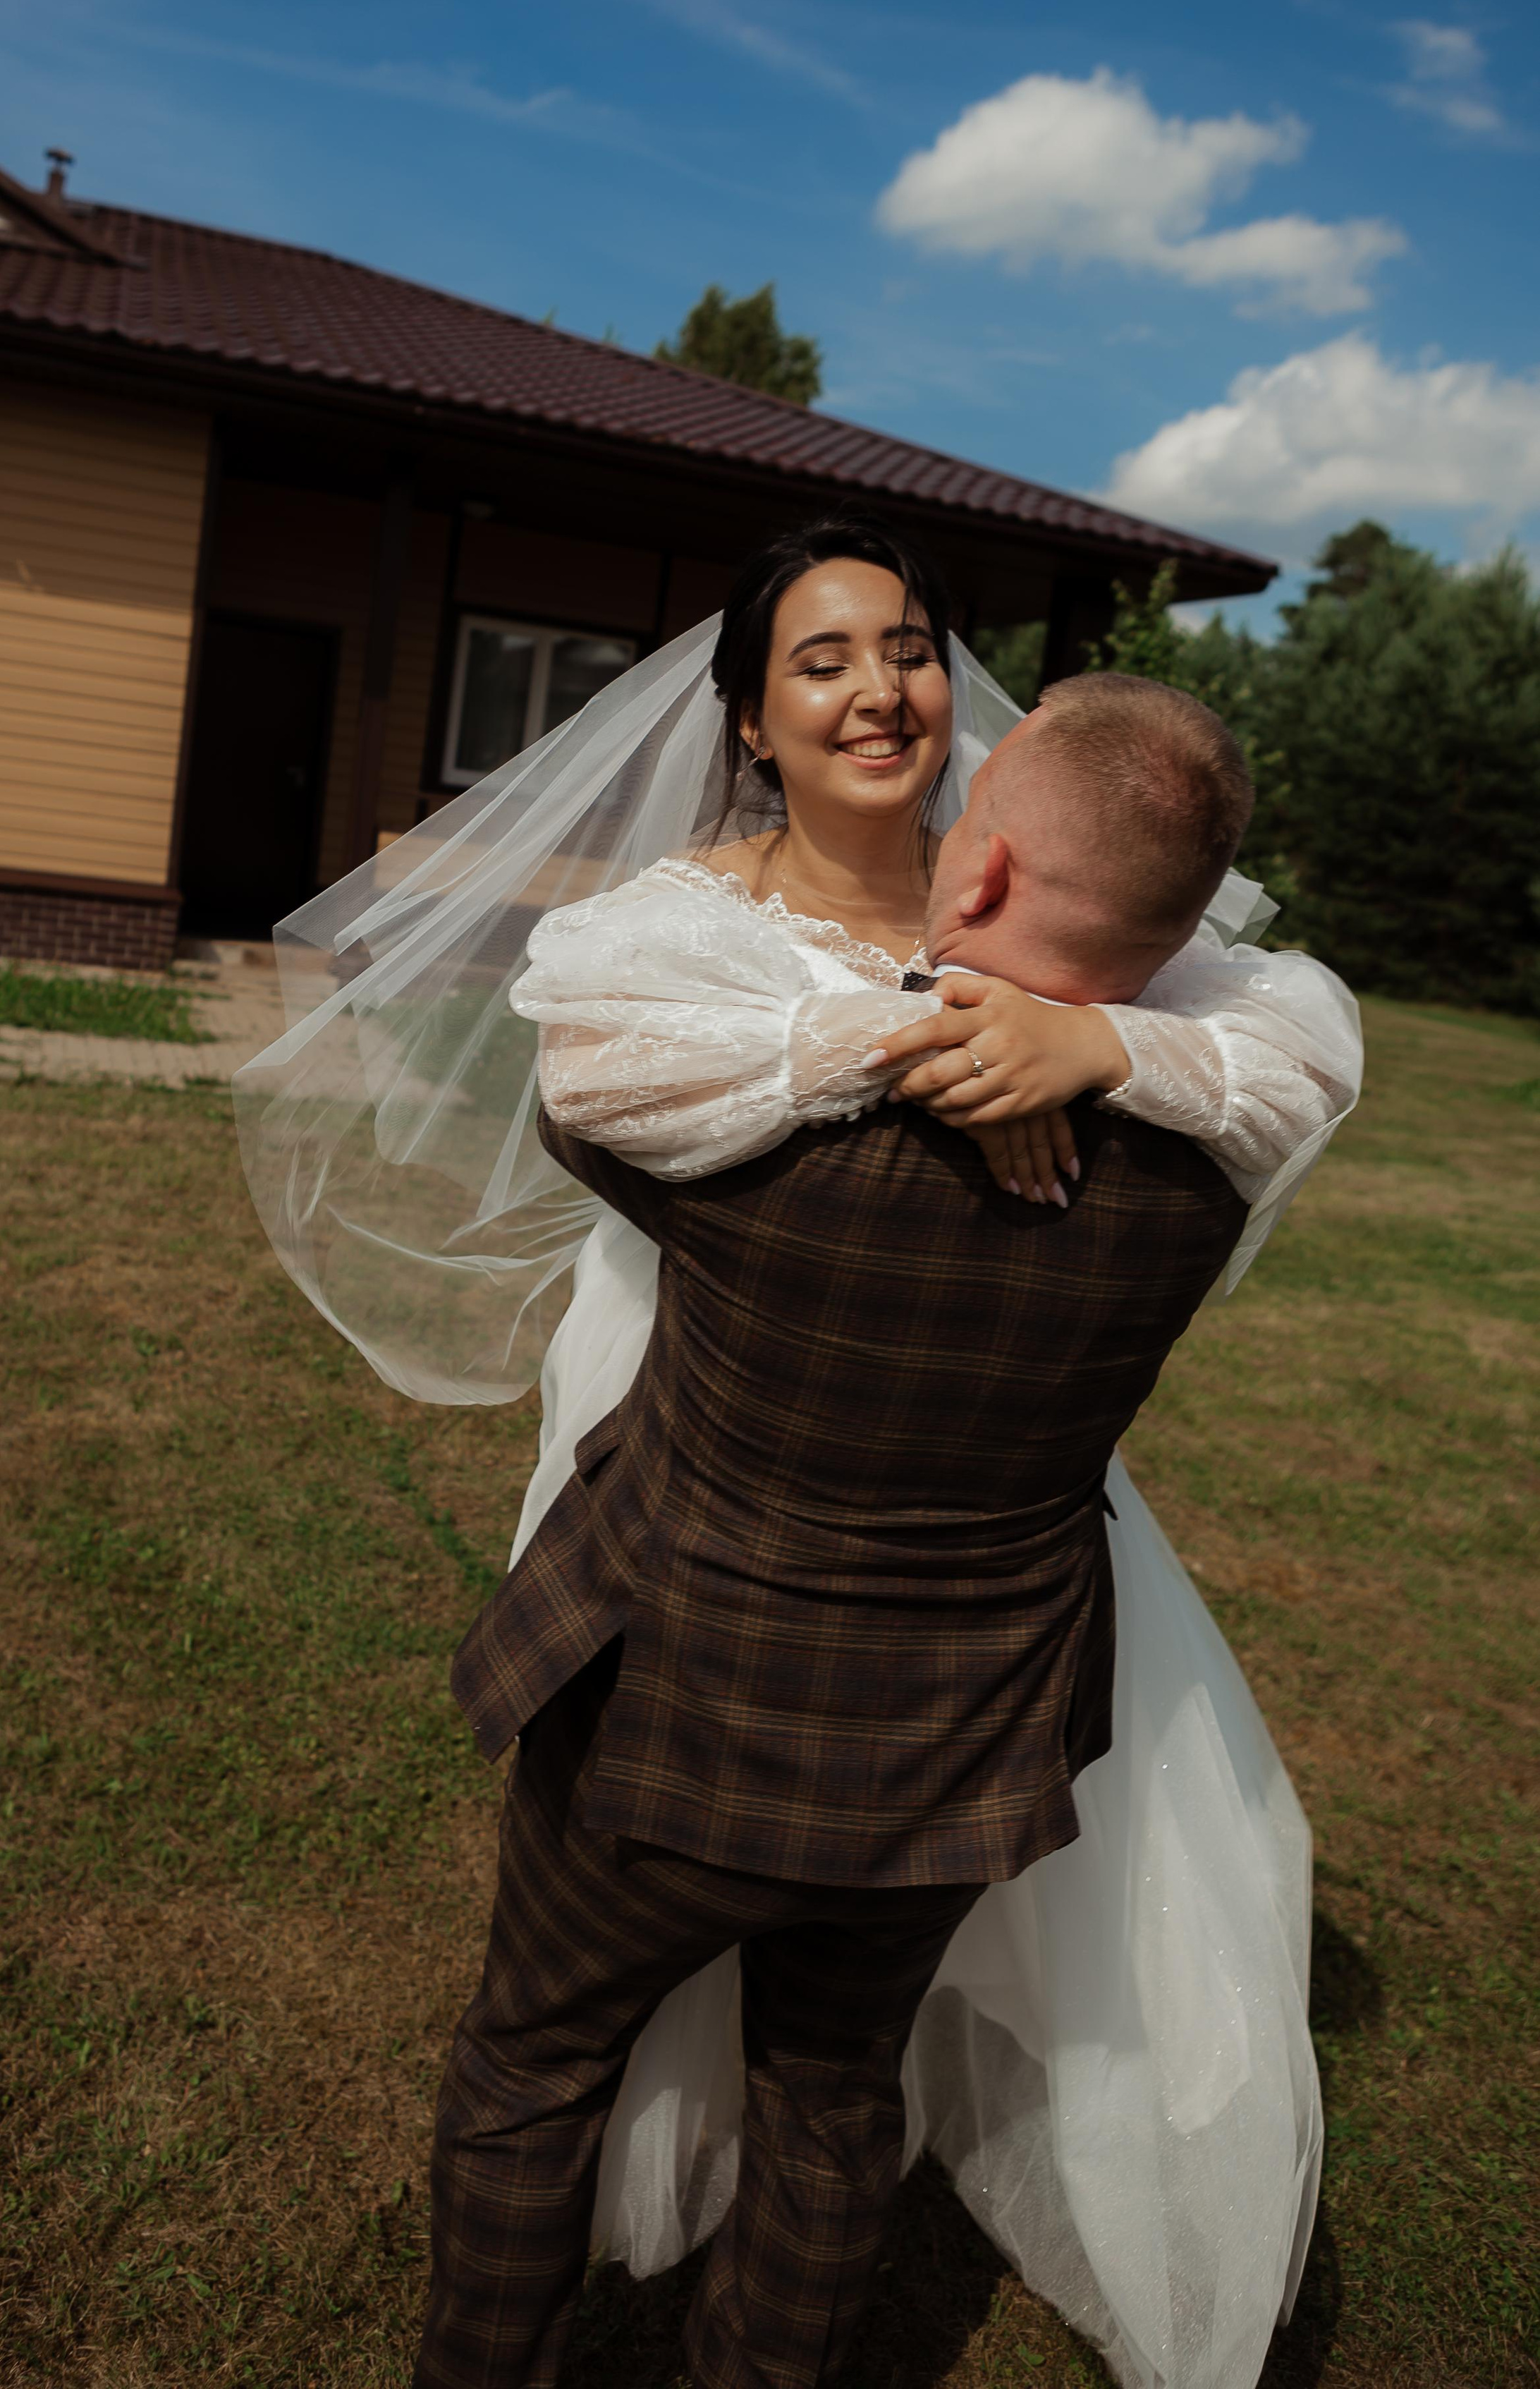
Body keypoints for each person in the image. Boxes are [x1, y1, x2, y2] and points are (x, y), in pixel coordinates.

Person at [231, 517, 1360, 2389]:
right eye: (822, 658)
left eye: (911, 647)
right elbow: (1292, 1032)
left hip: (721, 1605)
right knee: (836, 2081)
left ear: (980, 791)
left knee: (553, 2039)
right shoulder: (1128, 1106)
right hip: (938, 1644)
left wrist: (1081, 1052)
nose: (884, 688)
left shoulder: (1013, 1000)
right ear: (749, 720)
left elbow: (591, 1095)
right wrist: (954, 1035)